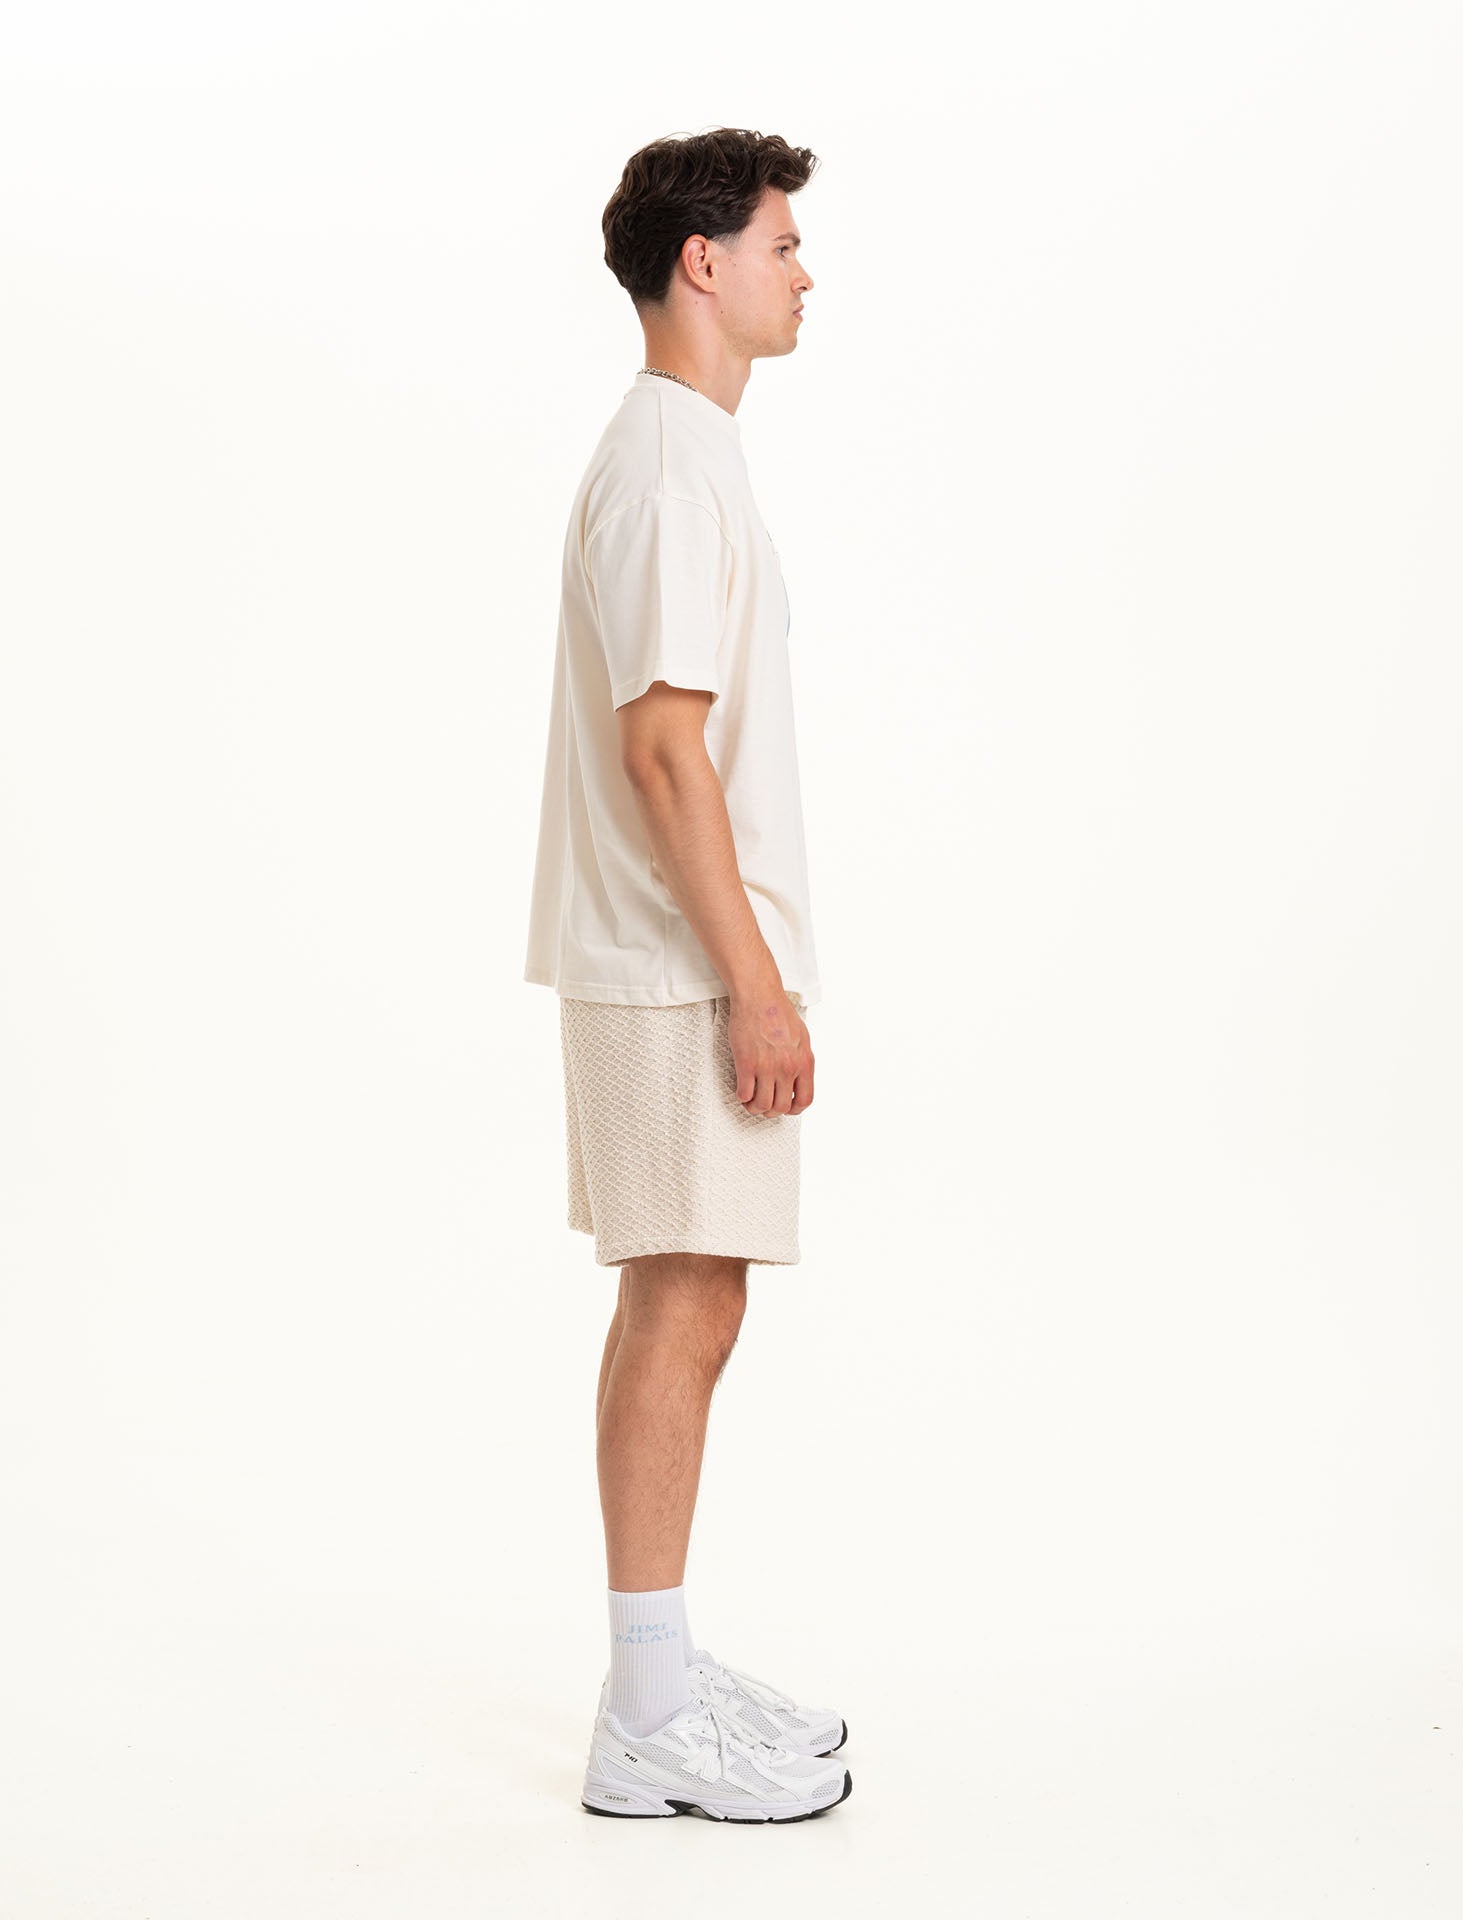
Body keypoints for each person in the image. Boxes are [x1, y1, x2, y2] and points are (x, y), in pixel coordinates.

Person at [522, 128, 851, 1824]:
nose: (808, 272)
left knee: (691, 1301)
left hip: (674, 960)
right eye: (784, 243)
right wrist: (754, 984)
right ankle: (646, 1717)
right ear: (702, 262)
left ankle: (657, 1677)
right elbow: (664, 753)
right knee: (682, 1305)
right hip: (672, 969)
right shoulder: (667, 467)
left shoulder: (691, 457)